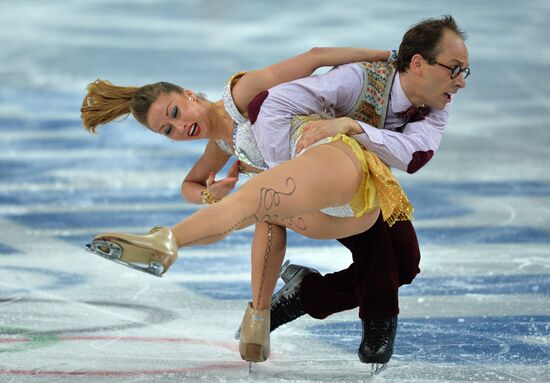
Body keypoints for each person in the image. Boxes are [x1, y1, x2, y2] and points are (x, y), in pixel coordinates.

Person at [80, 47, 413, 364]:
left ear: (189, 94)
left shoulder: (242, 94)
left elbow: (316, 58)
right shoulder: (220, 145)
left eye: (175, 113)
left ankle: (296, 299)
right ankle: (262, 313)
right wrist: (212, 194)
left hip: (337, 167)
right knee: (272, 210)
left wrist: (386, 56)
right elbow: (189, 185)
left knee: (406, 264)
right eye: (169, 130)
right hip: (313, 199)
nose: (180, 127)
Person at [254, 15, 469, 370]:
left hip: (368, 180)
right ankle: (379, 320)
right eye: (455, 69)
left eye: (465, 72)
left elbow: (415, 155)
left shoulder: (437, 103)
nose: (461, 83)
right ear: (418, 63)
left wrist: (354, 127)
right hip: (316, 173)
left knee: (406, 263)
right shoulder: (358, 78)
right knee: (378, 250)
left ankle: (304, 295)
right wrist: (288, 171)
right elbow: (270, 102)